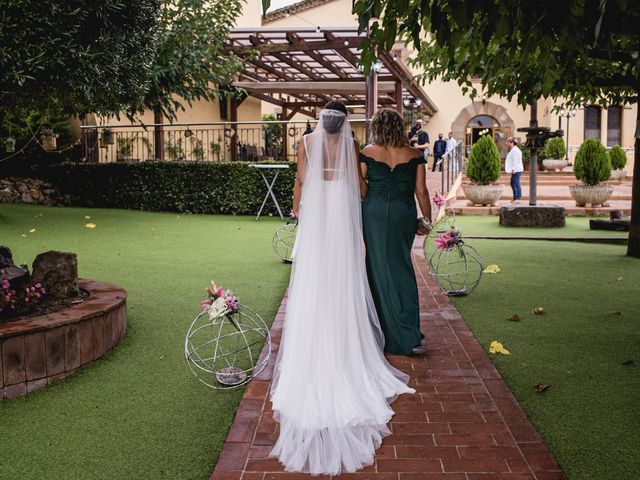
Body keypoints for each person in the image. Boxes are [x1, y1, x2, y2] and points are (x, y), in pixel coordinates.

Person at [270, 101, 415, 476]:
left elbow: (300, 183)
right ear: (344, 123)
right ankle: (343, 335)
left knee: (314, 276)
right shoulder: (351, 145)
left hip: (318, 215)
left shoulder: (304, 143)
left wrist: (298, 210)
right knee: (345, 277)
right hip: (340, 217)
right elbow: (361, 186)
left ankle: (316, 335)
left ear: (321, 122)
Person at [360, 108, 433, 356]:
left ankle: (381, 330)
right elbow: (421, 191)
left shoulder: (367, 153)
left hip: (374, 214)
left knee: (376, 266)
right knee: (402, 265)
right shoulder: (414, 154)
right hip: (404, 213)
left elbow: (360, 188)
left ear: (376, 127)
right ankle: (407, 330)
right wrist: (427, 220)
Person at [505, 136, 524, 204]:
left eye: (508, 142)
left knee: (516, 183)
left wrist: (513, 169)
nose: (507, 143)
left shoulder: (515, 150)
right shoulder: (513, 150)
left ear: (512, 143)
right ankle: (515, 198)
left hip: (516, 169)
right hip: (515, 169)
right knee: (513, 183)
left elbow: (516, 161)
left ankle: (518, 198)